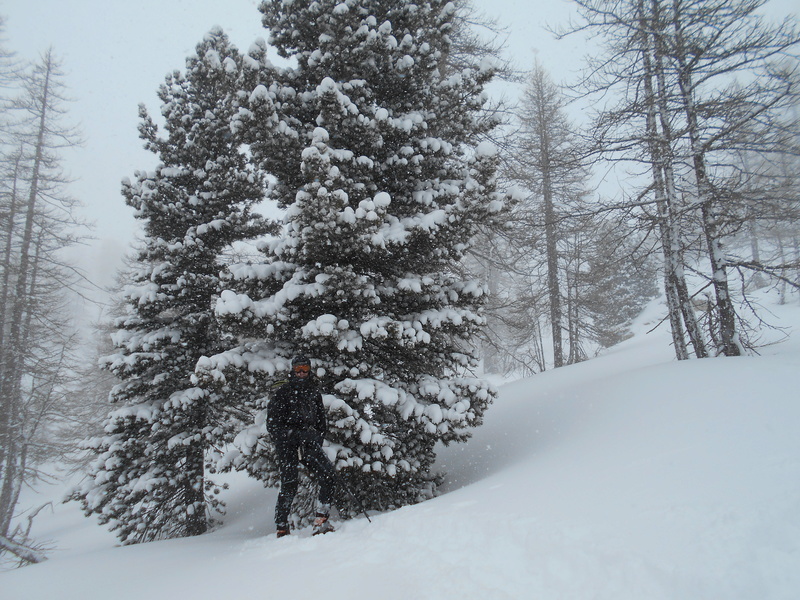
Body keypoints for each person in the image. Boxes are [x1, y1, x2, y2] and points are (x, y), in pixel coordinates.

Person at [267, 355, 337, 537]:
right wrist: (294, 435)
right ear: (292, 369)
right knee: (289, 484)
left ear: (309, 370)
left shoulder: (313, 393)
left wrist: (316, 438)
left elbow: (321, 422)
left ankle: (320, 521)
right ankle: (281, 527)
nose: (301, 373)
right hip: (287, 446)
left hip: (308, 444)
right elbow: (273, 426)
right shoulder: (283, 393)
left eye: (304, 369)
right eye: (298, 369)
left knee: (328, 475)